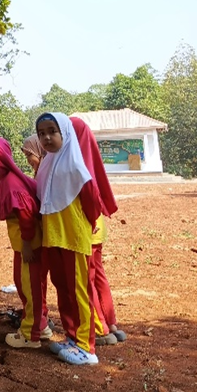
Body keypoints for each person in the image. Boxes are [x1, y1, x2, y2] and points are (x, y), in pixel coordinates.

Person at [35, 112, 101, 366]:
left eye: (52, 131)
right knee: (62, 288)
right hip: (54, 237)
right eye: (41, 133)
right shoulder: (46, 165)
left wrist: (89, 224)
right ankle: (72, 336)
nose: (47, 138)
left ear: (65, 133)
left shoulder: (75, 165)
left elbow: (92, 199)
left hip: (73, 237)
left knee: (79, 291)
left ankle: (86, 346)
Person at [0, 137, 52, 348]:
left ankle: (30, 334)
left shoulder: (11, 183)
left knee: (29, 287)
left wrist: (27, 243)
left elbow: (26, 215)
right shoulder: (6, 178)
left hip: (29, 245)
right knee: (24, 284)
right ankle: (41, 326)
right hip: (23, 245)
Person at [70, 117, 126, 345]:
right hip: (98, 228)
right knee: (98, 275)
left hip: (86, 229)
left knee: (86, 279)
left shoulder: (76, 164)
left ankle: (100, 328)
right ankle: (111, 323)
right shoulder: (89, 159)